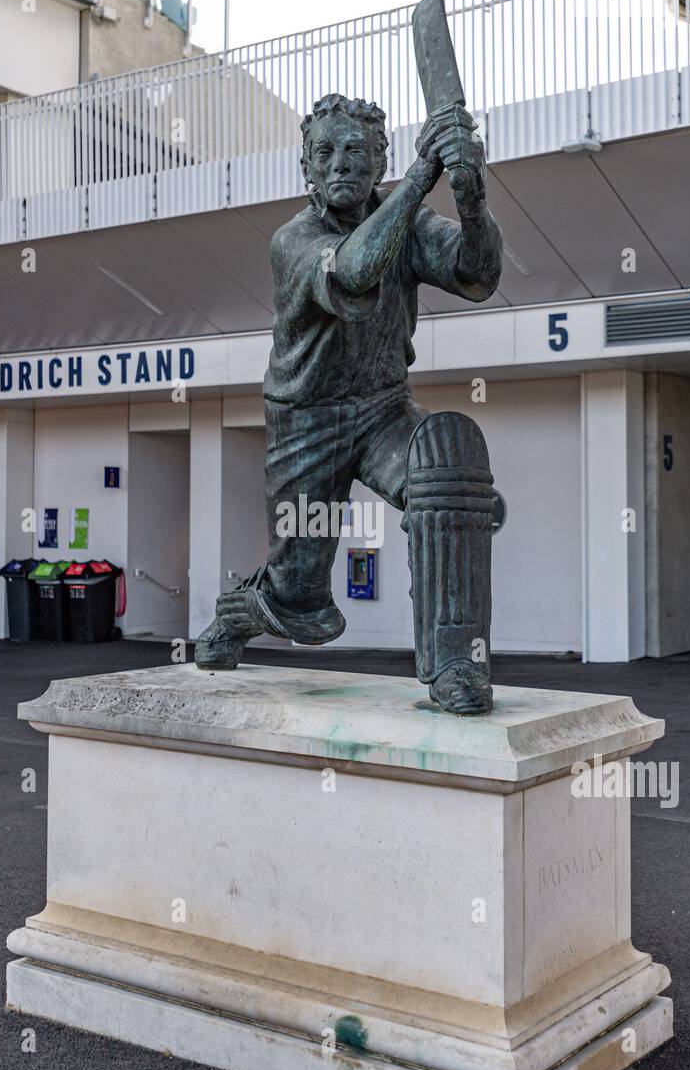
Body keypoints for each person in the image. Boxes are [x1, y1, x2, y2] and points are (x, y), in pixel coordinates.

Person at [195, 93, 503, 715]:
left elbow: (478, 275)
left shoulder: (408, 220)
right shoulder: (294, 239)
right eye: (324, 152)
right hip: (306, 422)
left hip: (383, 408)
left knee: (448, 462)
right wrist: (424, 174)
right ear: (305, 166)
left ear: (378, 160)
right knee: (297, 594)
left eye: (356, 151)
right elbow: (358, 270)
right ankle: (240, 615)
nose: (340, 164)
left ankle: (453, 664)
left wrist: (470, 196)